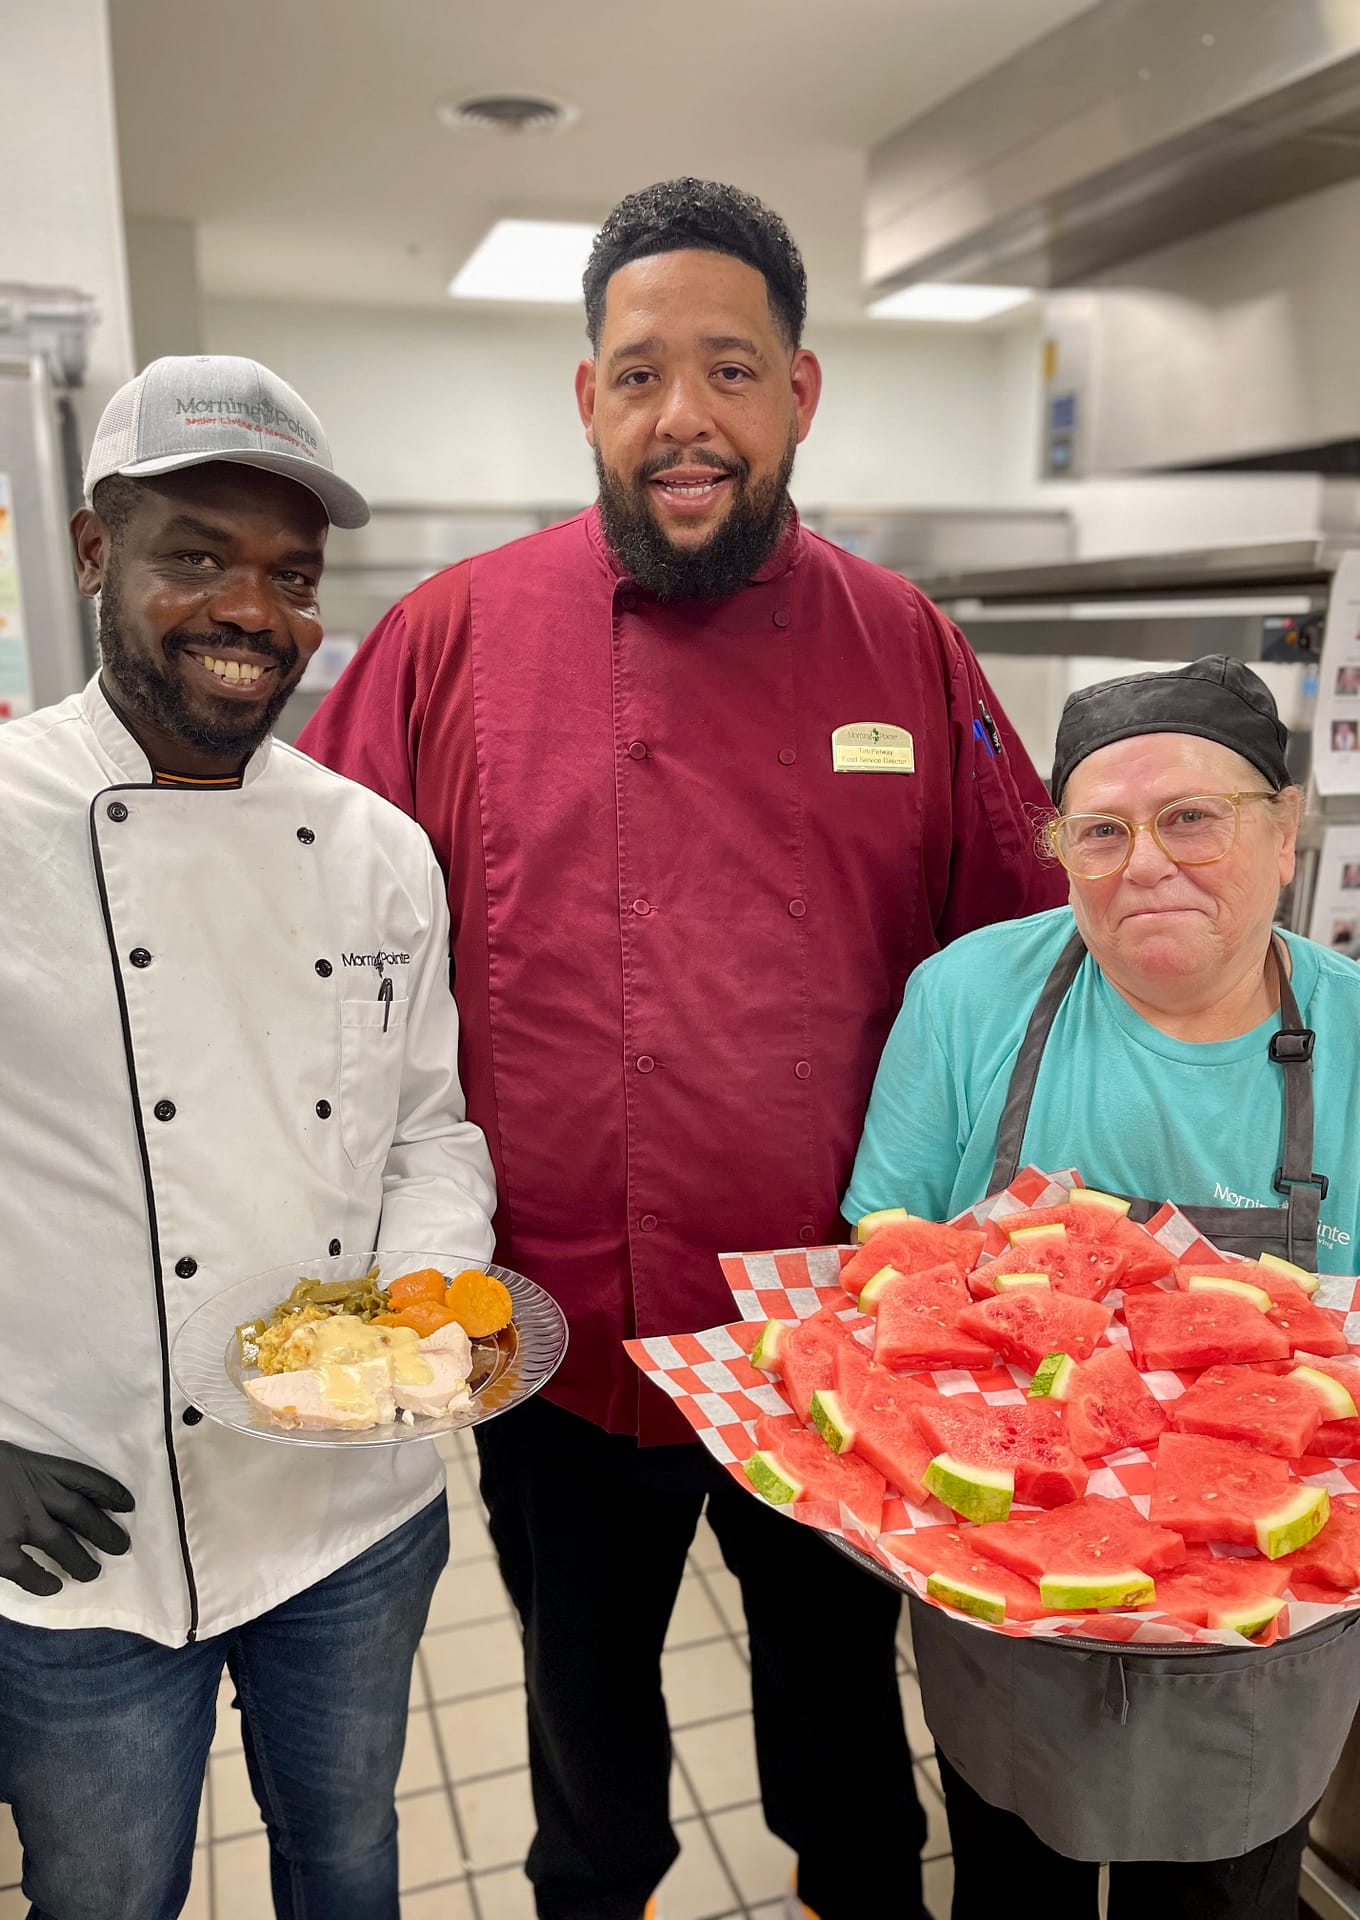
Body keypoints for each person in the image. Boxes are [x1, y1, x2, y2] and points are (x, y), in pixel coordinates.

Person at [299, 178, 1063, 1920]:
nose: (683, 418)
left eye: (730, 371)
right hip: (554, 1330)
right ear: (587, 400)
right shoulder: (451, 638)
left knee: (836, 1719)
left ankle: (849, 1890)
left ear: (800, 394)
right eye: (641, 375)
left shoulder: (905, 643)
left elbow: (1017, 966)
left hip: (827, 1345)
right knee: (582, 1728)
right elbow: (317, 937)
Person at [0, 355, 497, 1920]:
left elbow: (425, 1130)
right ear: (96, 551)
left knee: (352, 1867)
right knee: (106, 1898)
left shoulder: (379, 848)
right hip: (77, 1532)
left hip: (353, 1516)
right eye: (197, 556)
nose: (252, 608)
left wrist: (433, 1297)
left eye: (290, 575)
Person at [843, 655, 1360, 1919]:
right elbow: (874, 1281)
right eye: (1103, 831)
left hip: (1269, 1620)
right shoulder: (967, 997)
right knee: (1010, 1884)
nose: (1147, 863)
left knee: (1229, 1898)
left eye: (1193, 816)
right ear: (1060, 847)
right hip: (1007, 1570)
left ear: (1285, 830)